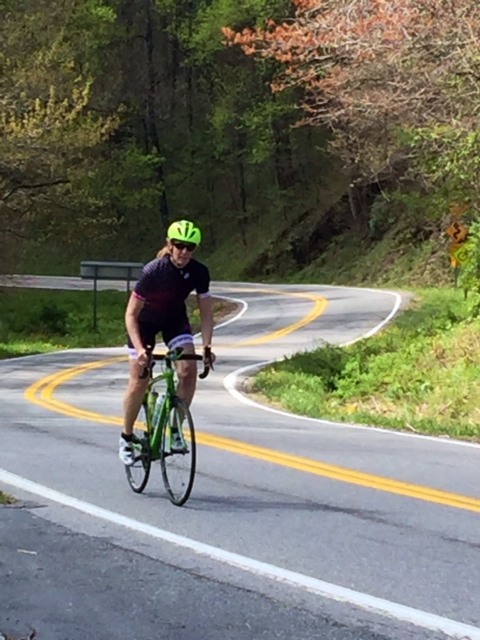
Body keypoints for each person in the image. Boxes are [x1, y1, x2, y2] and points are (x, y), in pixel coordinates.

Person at [119, 219, 215, 465]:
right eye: (179, 245)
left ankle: (174, 431)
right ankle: (126, 438)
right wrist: (140, 349)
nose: (184, 251)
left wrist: (207, 347)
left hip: (174, 320)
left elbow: (206, 312)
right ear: (169, 245)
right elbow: (130, 314)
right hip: (145, 323)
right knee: (139, 380)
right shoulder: (154, 271)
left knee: (188, 371)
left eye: (190, 247)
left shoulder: (199, 272)